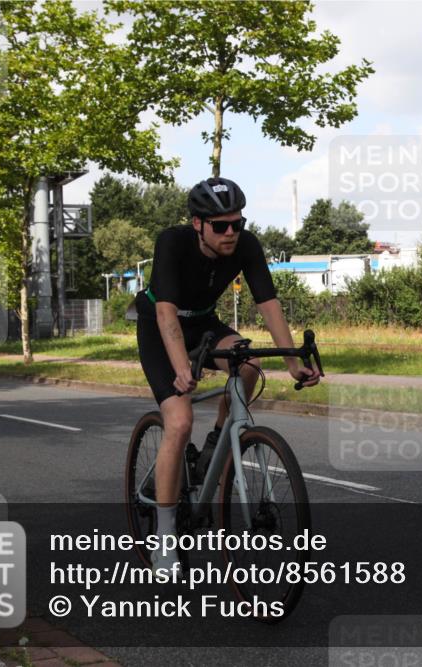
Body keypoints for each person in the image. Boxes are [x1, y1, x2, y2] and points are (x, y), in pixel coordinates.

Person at [135, 177, 319, 573]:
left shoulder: (247, 245)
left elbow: (268, 303)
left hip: (203, 325)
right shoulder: (172, 242)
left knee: (250, 363)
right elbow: (166, 312)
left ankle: (217, 443)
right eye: (221, 225)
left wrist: (291, 363)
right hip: (160, 328)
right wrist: (182, 367)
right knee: (180, 421)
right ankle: (164, 537)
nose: (232, 232)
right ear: (198, 224)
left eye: (237, 222)